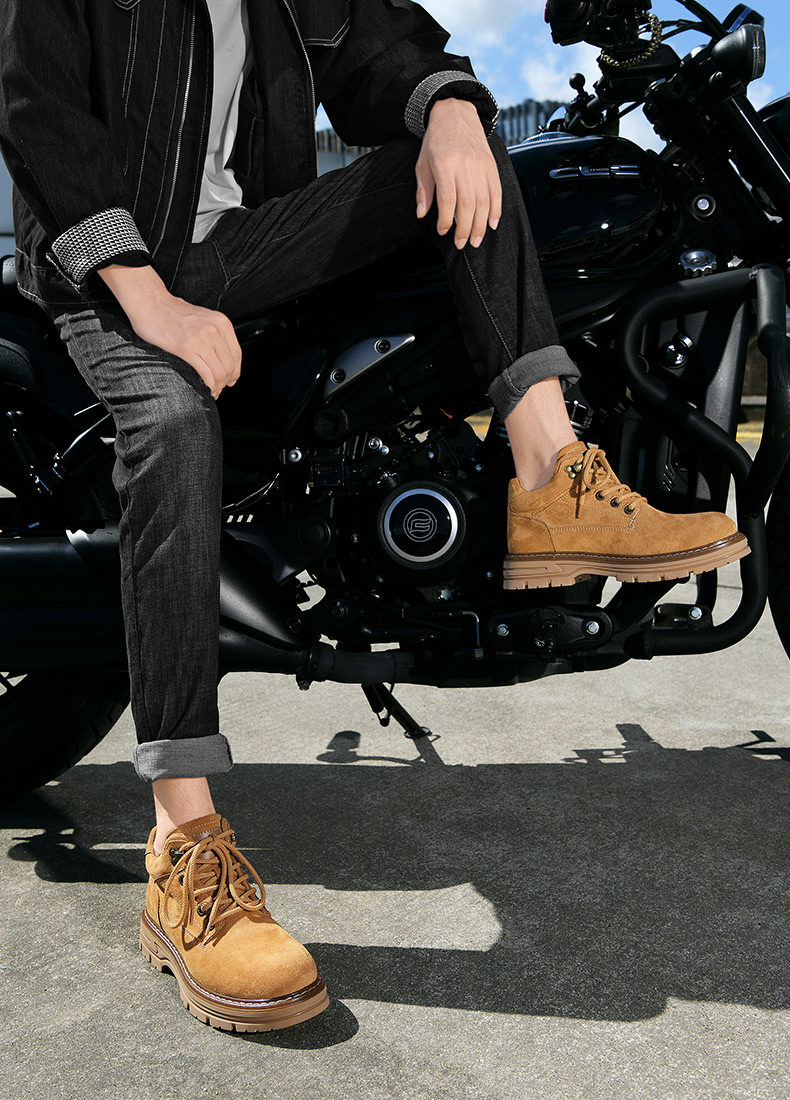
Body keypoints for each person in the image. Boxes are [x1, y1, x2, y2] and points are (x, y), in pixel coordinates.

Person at [0, 0, 748, 1032]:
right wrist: (150, 299)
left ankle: (552, 480)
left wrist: (446, 107)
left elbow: (380, 49)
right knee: (172, 418)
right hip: (110, 271)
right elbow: (36, 111)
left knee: (471, 159)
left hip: (242, 247)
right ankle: (184, 845)